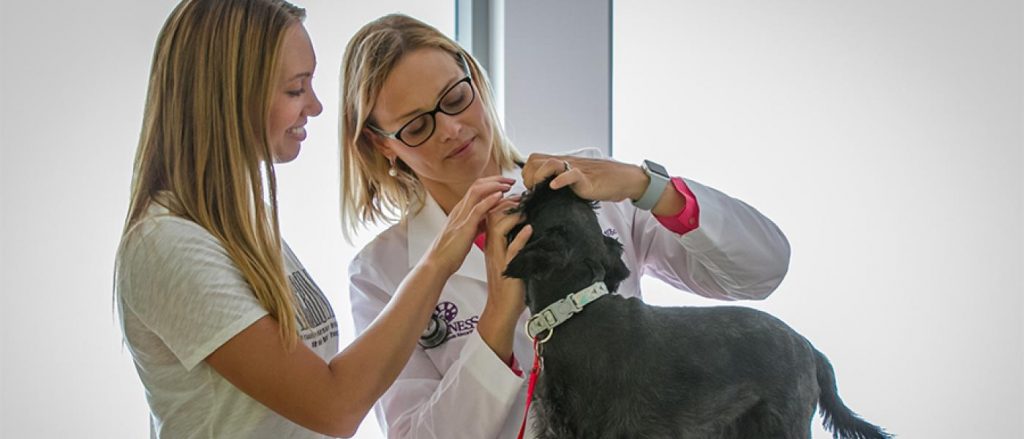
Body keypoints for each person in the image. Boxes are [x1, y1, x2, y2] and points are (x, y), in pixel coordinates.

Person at [341, 13, 793, 439]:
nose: (453, 129)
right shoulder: (381, 271)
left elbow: (761, 271)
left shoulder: (588, 190)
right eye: (418, 125)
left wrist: (649, 187)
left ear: (475, 79)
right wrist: (497, 318)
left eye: (457, 98)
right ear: (382, 144)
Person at [114, 2, 525, 438]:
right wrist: (441, 259)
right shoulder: (169, 244)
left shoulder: (243, 230)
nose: (316, 106)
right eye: (296, 90)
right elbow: (335, 407)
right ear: (231, 96)